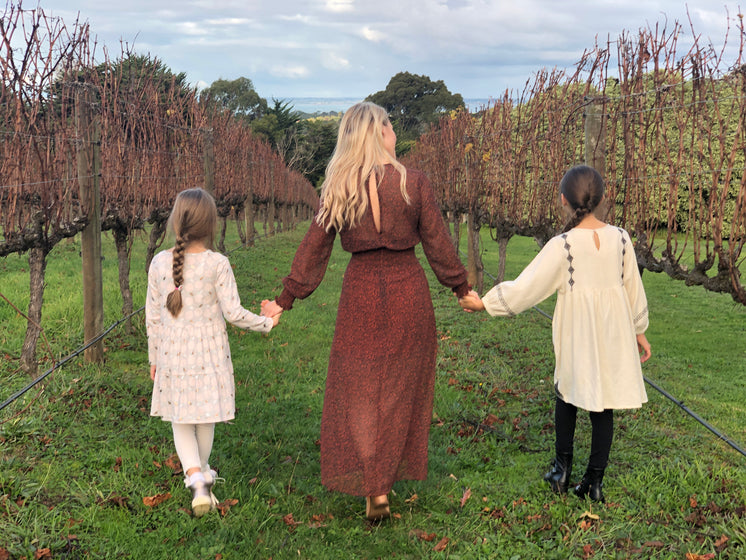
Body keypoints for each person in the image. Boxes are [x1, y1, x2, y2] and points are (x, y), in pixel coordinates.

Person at [260, 101, 470, 521]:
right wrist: (460, 287)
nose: (393, 133)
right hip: (407, 290)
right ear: (381, 134)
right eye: (390, 126)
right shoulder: (414, 183)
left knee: (358, 389)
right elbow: (437, 243)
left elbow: (314, 247)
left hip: (359, 294)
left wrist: (285, 300)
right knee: (397, 390)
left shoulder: (340, 185)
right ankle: (382, 483)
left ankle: (372, 485)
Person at [458, 165, 651, 503]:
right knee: (603, 405)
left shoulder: (563, 246)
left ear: (563, 200)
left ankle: (561, 471)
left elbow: (526, 287)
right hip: (612, 333)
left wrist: (485, 304)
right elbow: (632, 287)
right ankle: (594, 482)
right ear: (601, 198)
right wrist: (638, 330)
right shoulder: (621, 238)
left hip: (578, 332)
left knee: (567, 390)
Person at [146, 187, 279, 517]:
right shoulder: (218, 264)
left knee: (181, 420)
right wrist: (266, 323)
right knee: (205, 415)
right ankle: (200, 475)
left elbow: (152, 315)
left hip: (173, 354)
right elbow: (233, 313)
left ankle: (198, 478)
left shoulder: (160, 263)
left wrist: (153, 357)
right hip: (210, 355)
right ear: (211, 225)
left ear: (176, 222)